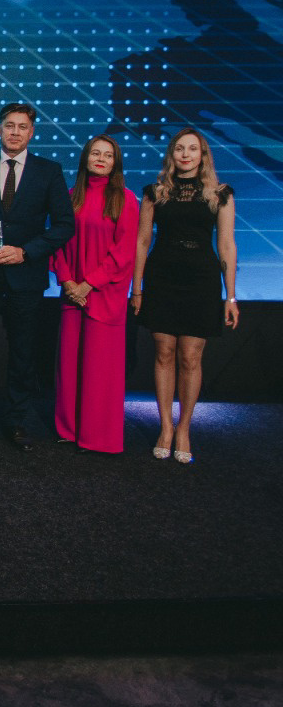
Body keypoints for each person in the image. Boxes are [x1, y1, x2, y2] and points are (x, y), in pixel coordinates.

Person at [0, 103, 75, 452]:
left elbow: (64, 225)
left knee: (22, 351)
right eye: (10, 126)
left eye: (22, 127)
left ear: (31, 132)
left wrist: (26, 252)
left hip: (26, 275)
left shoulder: (49, 171)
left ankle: (16, 419)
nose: (15, 132)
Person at [131, 128, 239, 464]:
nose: (186, 154)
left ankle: (184, 429)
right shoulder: (155, 192)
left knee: (190, 358)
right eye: (180, 148)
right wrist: (137, 288)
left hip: (201, 282)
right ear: (172, 154)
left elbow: (226, 245)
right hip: (162, 279)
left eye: (193, 149)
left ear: (203, 155)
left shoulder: (220, 194)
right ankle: (165, 427)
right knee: (164, 353)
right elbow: (142, 241)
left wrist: (231, 297)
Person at [52, 134, 139, 455]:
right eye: (95, 153)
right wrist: (67, 282)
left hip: (104, 294)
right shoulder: (70, 197)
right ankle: (69, 429)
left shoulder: (126, 199)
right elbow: (57, 241)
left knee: (99, 370)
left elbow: (124, 252)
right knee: (69, 366)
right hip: (71, 294)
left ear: (115, 163)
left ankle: (96, 435)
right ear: (85, 158)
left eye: (108, 155)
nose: (101, 159)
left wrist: (88, 284)